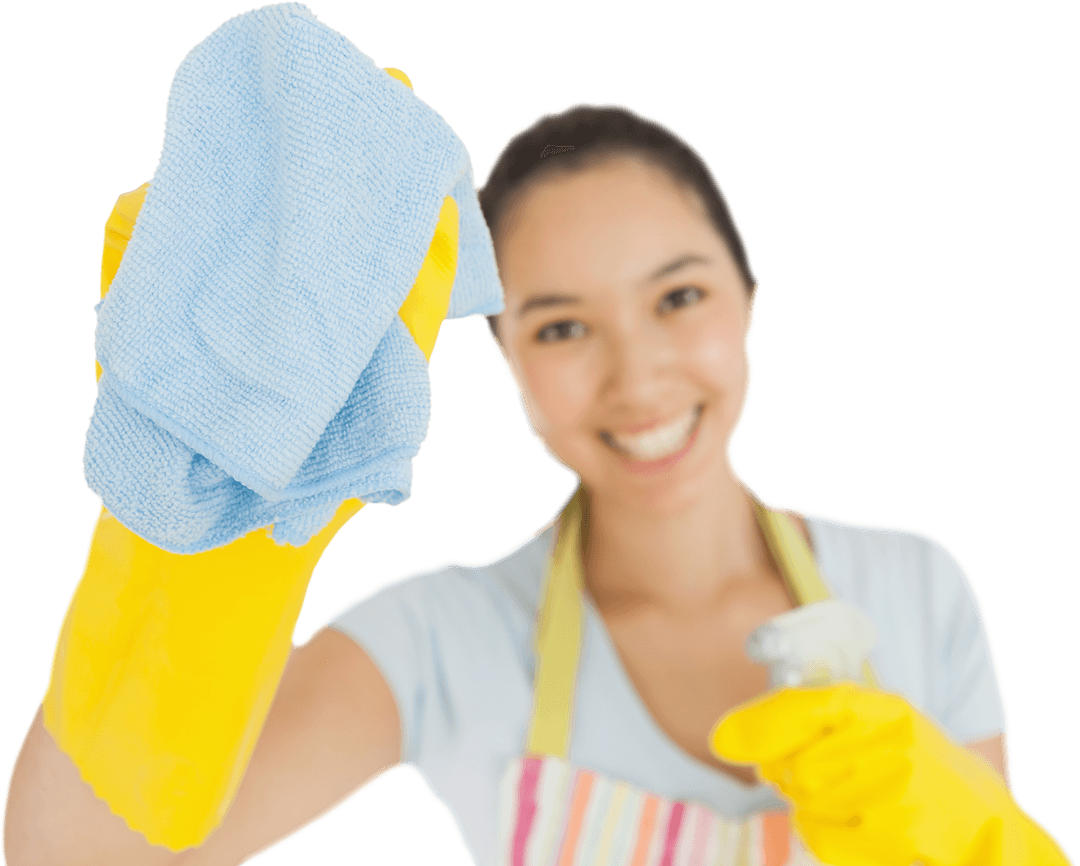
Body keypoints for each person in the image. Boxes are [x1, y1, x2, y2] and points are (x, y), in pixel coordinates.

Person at [2, 101, 1069, 866]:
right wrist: (189, 521)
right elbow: (82, 857)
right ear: (507, 362)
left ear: (748, 297)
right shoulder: (444, 638)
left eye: (679, 295)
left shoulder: (915, 583)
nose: (637, 372)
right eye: (561, 326)